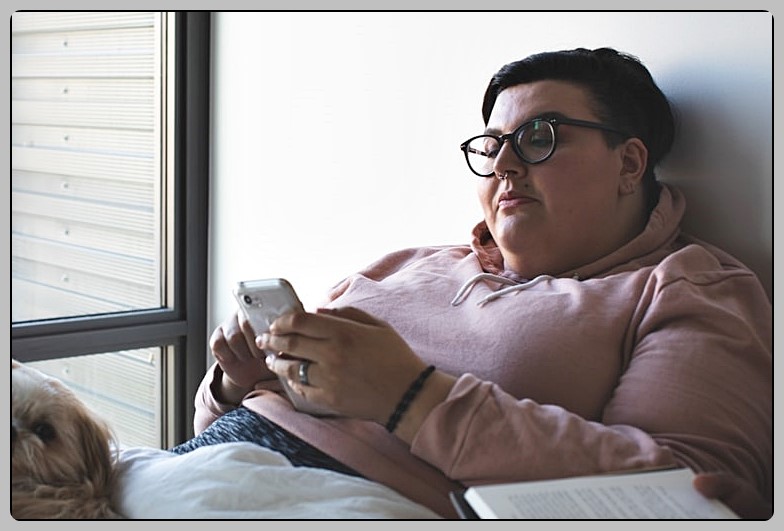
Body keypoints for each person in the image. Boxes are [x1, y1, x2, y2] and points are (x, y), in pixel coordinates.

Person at [172, 47, 772, 519]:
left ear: (630, 163)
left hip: (358, 500)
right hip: (208, 462)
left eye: (540, 138)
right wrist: (234, 383)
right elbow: (220, 422)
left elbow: (691, 494)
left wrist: (412, 398)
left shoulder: (686, 285)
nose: (505, 165)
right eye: (493, 146)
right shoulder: (405, 263)